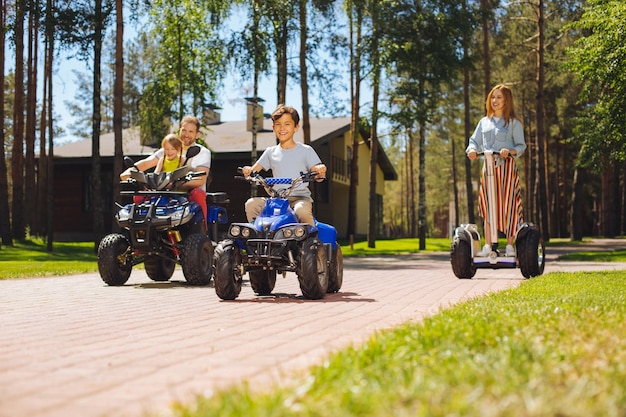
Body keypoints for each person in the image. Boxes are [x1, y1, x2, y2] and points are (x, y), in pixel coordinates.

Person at [466, 84, 526, 257]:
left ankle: (509, 245)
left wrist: (510, 151)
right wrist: (471, 150)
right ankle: (488, 245)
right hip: (488, 169)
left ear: (507, 100)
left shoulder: (513, 123)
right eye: (493, 97)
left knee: (508, 205)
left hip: (506, 168)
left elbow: (521, 146)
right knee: (488, 206)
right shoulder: (484, 122)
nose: (495, 101)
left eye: (499, 97)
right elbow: (474, 141)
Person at [241, 104, 327, 226]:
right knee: (251, 204)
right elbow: (254, 171)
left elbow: (318, 173)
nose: (282, 128)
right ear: (273, 127)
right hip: (276, 200)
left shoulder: (306, 150)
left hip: (299, 198)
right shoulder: (271, 152)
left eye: (287, 124)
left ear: (296, 127)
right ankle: (258, 234)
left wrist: (319, 169)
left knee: (301, 211)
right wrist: (248, 171)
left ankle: (310, 241)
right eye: (278, 124)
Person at [120, 115, 212, 224]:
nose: (186, 134)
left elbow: (200, 180)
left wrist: (171, 184)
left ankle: (202, 231)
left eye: (191, 131)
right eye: (184, 130)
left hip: (187, 194)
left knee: (198, 193)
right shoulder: (169, 149)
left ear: (197, 134)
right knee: (140, 196)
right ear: (179, 130)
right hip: (164, 192)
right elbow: (147, 162)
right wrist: (130, 171)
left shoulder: (202, 152)